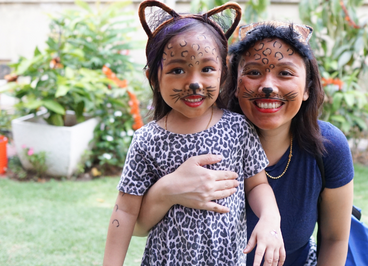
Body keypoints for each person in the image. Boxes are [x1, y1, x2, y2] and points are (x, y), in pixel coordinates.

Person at [134, 20, 355, 266]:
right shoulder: (192, 137)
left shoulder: (328, 147)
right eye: (253, 72)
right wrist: (167, 191)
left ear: (307, 88)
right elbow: (137, 226)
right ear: (235, 84)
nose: (268, 87)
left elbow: (335, 238)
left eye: (285, 73)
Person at [103, 1, 285, 266]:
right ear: (154, 77)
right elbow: (126, 211)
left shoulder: (238, 128)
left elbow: (256, 185)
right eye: (178, 70)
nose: (195, 82)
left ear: (223, 74)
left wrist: (270, 217)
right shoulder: (146, 141)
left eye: (207, 69)